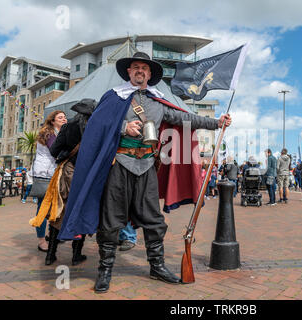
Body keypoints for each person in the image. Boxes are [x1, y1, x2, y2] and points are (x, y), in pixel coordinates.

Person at [56, 52, 232, 293]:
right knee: (111, 221)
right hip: (119, 165)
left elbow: (185, 118)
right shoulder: (114, 97)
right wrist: (123, 127)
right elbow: (94, 123)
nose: (140, 71)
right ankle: (104, 271)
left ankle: (156, 266)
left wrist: (217, 122)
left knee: (153, 219)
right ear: (129, 72)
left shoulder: (158, 102)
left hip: (147, 166)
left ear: (150, 74)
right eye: (136, 67)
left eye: (144, 69)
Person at [31, 100, 94, 265]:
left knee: (58, 211)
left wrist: (67, 152)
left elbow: (54, 151)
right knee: (82, 211)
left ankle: (50, 255)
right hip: (87, 174)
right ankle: (76, 255)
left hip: (68, 173)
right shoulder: (97, 126)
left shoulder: (68, 126)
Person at [31, 110, 67, 252]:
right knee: (42, 207)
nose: (64, 119)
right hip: (44, 174)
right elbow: (55, 150)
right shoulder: (49, 133)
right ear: (53, 121)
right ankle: (41, 241)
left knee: (56, 205)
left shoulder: (59, 133)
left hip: (54, 172)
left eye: (64, 117)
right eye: (60, 117)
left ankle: (52, 234)